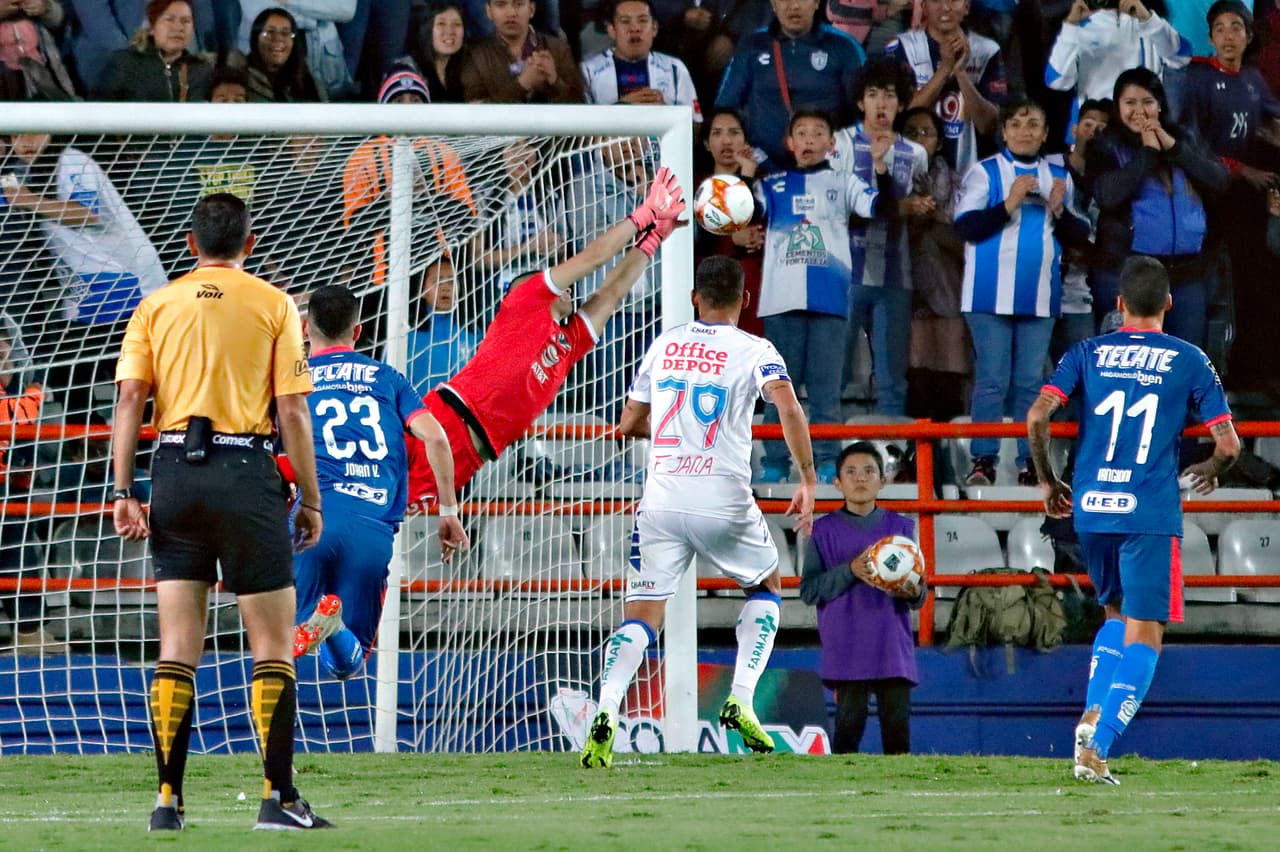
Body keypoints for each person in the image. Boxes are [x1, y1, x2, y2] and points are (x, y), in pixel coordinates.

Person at [112, 192, 332, 831]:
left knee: (177, 647)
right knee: (270, 647)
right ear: (250, 243)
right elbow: (292, 411)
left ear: (189, 244)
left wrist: (125, 491)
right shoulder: (273, 305)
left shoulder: (156, 305)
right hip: (245, 470)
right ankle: (278, 799)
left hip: (175, 472)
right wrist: (311, 499)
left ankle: (166, 802)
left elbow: (129, 400)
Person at [579, 255, 817, 768]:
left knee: (643, 614)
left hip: (661, 499)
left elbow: (628, 424)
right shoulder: (756, 348)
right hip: (722, 496)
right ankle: (741, 698)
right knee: (767, 585)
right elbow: (788, 405)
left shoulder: (664, 344)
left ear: (694, 297)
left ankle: (607, 708)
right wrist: (808, 477)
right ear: (745, 300)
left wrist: (672, 431)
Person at [1027, 255, 1241, 784]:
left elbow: (1037, 415)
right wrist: (1210, 469)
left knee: (1115, 617)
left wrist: (1050, 482)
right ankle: (1097, 747)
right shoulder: (1188, 358)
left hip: (1093, 507)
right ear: (1168, 303)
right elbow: (1229, 445)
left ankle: (1091, 718)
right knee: (1148, 632)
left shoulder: (1087, 352)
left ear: (1118, 304)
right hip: (1148, 510)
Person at [405, 166, 685, 506]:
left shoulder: (567, 342)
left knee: (388, 524)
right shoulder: (524, 302)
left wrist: (654, 239)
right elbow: (593, 259)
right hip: (447, 423)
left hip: (473, 456)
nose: (565, 286)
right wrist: (643, 216)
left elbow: (611, 294)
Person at [289, 284, 469, 679]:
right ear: (357, 332)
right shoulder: (388, 378)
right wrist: (449, 511)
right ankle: (332, 627)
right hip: (373, 529)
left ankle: (317, 625)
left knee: (289, 632)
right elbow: (437, 437)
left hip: (313, 521)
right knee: (349, 666)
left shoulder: (293, 380)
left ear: (305, 329)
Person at [752, 109, 898, 483]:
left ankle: (828, 460)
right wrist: (744, 176)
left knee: (825, 392)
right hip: (781, 302)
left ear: (831, 145)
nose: (810, 140)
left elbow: (881, 208)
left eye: (818, 133)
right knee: (779, 391)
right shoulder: (772, 184)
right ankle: (775, 463)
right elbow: (746, 213)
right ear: (790, 143)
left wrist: (879, 167)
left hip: (830, 300)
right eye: (802, 133)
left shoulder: (844, 180)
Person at [953, 97, 1090, 487]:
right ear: (1004, 131)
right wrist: (1010, 202)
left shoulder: (1058, 174)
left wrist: (1060, 211)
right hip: (986, 295)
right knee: (993, 380)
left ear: (1046, 133)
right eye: (1016, 123)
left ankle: (1032, 461)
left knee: (1032, 383)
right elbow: (965, 227)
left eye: (1034, 124)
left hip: (1039, 295)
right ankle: (984, 460)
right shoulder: (985, 172)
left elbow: (1080, 235)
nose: (1025, 130)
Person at [1085, 67, 1229, 350]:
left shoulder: (1182, 138)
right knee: (1132, 364)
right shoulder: (1105, 145)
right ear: (1117, 107)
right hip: (1130, 273)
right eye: (1130, 103)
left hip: (1188, 273)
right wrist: (1148, 153)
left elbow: (1219, 180)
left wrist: (1173, 147)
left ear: (1160, 105)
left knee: (1183, 360)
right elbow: (1108, 196)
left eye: (1147, 102)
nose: (1139, 110)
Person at [799, 441, 924, 754]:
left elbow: (919, 595)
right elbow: (809, 591)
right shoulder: (821, 531)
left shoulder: (902, 528)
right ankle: (843, 800)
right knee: (847, 737)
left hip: (891, 648)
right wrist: (851, 570)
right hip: (847, 648)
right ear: (838, 482)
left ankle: (899, 800)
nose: (860, 478)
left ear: (883, 480)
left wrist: (911, 590)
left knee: (898, 742)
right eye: (851, 472)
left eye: (869, 471)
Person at [830, 58, 931, 417]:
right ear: (860, 102)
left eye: (889, 95)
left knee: (891, 376)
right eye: (873, 94)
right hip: (845, 274)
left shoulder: (915, 154)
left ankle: (893, 451)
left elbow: (921, 218)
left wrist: (917, 211)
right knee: (834, 371)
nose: (881, 103)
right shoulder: (838, 145)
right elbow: (834, 207)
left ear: (901, 103)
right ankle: (827, 453)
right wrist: (899, 207)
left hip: (896, 277)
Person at [714, 0, 867, 169]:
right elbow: (725, 109)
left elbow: (862, 113)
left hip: (827, 170)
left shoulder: (844, 46)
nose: (794, 6)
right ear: (773, 4)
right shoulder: (751, 45)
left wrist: (840, 157)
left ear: (817, 2)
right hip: (762, 170)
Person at [885, 0, 1007, 175]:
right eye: (936, 0)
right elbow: (900, 117)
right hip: (912, 173)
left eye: (954, 0)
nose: (945, 7)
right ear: (924, 6)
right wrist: (945, 69)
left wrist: (961, 73)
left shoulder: (988, 50)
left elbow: (989, 126)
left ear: (967, 7)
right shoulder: (901, 47)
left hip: (969, 175)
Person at [1044, 0, 1190, 144]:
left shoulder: (1149, 21)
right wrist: (1070, 26)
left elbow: (1182, 58)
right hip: (1095, 139)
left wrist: (1147, 19)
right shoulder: (1078, 26)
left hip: (1144, 135)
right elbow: (1056, 81)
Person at [694, 109, 765, 336]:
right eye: (717, 133)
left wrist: (747, 175)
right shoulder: (695, 185)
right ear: (706, 143)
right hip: (709, 286)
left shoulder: (762, 182)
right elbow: (696, 239)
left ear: (745, 140)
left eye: (734, 132)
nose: (726, 140)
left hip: (751, 286)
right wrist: (732, 239)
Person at [581, 0, 702, 124]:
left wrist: (665, 113)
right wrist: (622, 107)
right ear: (611, 30)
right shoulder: (588, 70)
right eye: (625, 21)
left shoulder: (675, 68)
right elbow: (580, 128)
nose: (635, 28)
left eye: (643, 20)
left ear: (654, 28)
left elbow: (696, 124)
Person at [459, 0, 583, 103]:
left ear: (531, 9)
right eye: (501, 4)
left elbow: (581, 109)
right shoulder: (475, 54)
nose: (511, 13)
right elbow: (477, 115)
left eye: (519, 4)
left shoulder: (559, 49)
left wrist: (555, 81)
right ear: (489, 11)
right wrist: (522, 84)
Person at [239, 0, 358, 101]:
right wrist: (314, 17)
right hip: (263, 63)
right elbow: (256, 12)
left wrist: (288, 1)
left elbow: (345, 9)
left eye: (287, 31)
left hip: (326, 66)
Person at [97, 0, 214, 101]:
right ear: (152, 28)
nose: (178, 28)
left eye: (186, 21)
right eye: (169, 20)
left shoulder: (202, 70)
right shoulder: (125, 63)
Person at [405, 256, 478, 397]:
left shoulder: (472, 334)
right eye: (437, 281)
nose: (445, 288)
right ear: (422, 290)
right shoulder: (407, 335)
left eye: (451, 281)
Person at [244, 6, 327, 102]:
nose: (278, 39)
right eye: (270, 32)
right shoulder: (240, 79)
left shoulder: (313, 85)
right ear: (255, 38)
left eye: (285, 33)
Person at [409, 0, 469, 102]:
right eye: (441, 23)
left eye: (457, 24)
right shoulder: (410, 70)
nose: (450, 31)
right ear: (427, 29)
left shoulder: (469, 68)